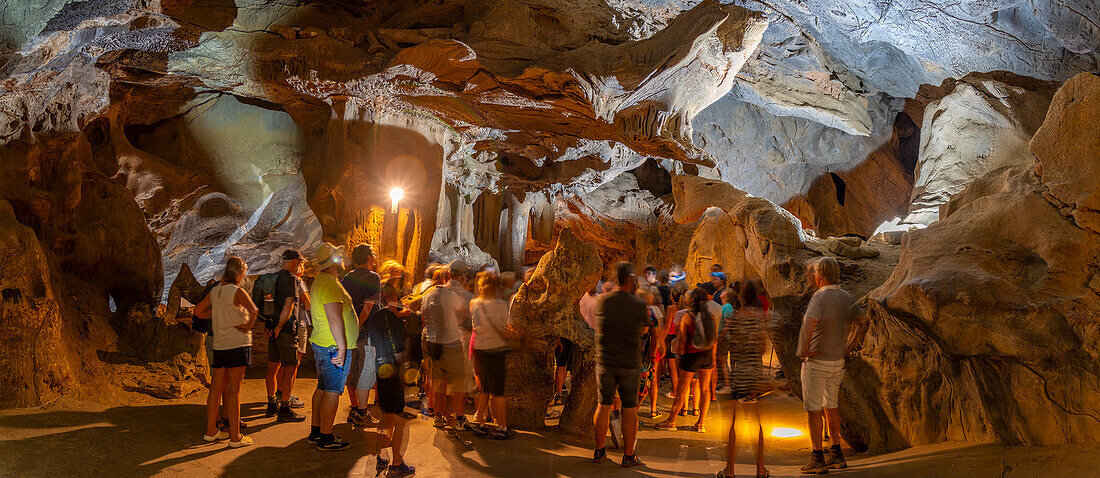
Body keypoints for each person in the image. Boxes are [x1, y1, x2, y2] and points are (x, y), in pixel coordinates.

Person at [798, 256, 870, 474]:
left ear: (820, 276)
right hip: (837, 361)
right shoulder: (845, 296)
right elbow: (863, 320)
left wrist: (803, 350)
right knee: (831, 405)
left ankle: (817, 457)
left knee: (813, 409)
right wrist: (852, 343)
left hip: (817, 361)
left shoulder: (819, 298)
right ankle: (836, 453)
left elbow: (809, 325)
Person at [592, 262, 649, 468]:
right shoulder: (639, 304)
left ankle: (599, 451)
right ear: (630, 279)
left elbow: (600, 325)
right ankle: (628, 455)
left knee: (603, 404)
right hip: (629, 362)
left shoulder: (603, 301)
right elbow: (643, 330)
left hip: (605, 360)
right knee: (629, 407)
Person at [195, 257, 257, 448]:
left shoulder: (216, 291)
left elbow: (198, 311)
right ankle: (235, 436)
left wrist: (219, 314)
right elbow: (253, 311)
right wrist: (246, 326)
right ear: (239, 274)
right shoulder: (237, 292)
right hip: (237, 344)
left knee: (215, 388)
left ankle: (211, 431)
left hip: (220, 344)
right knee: (234, 391)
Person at [308, 243, 358, 451]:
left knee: (322, 387)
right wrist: (342, 348)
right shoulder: (329, 283)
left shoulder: (323, 280)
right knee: (331, 391)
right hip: (332, 346)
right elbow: (334, 319)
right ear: (333, 260)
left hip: (324, 344)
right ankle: (326, 438)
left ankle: (316, 431)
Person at [718, 280, 771, 478]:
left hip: (739, 372)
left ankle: (730, 470)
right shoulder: (760, 319)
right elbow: (762, 348)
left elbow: (733, 346)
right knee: (757, 423)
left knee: (732, 423)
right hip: (754, 372)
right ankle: (760, 469)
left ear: (741, 297)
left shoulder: (737, 318)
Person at [364, 283, 416, 477]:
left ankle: (381, 456)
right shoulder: (390, 319)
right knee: (400, 419)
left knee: (385, 416)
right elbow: (398, 348)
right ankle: (396, 463)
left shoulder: (376, 316)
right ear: (390, 298)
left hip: (380, 368)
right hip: (393, 370)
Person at [657, 287, 718, 433]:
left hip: (692, 355)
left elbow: (682, 339)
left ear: (692, 301)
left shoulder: (688, 317)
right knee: (705, 389)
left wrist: (679, 357)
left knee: (682, 389)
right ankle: (701, 423)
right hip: (707, 356)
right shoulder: (711, 317)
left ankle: (671, 421)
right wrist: (713, 359)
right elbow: (714, 339)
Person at [421, 264, 472, 430]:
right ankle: (457, 418)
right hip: (450, 342)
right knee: (458, 382)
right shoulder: (452, 296)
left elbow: (424, 318)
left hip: (432, 341)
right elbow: (462, 315)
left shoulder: (428, 296)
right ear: (450, 277)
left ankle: (438, 416)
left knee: (438, 381)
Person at [470, 271, 517, 439]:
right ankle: (501, 426)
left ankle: (480, 422)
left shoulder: (474, 304)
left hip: (480, 349)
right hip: (496, 350)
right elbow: (506, 329)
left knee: (483, 387)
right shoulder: (501, 305)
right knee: (498, 391)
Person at [265, 249, 308, 423]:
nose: (300, 265)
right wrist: (280, 326)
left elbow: (268, 304)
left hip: (274, 330)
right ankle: (284, 409)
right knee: (290, 368)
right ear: (292, 261)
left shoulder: (273, 278)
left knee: (272, 367)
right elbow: (289, 305)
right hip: (287, 329)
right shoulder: (292, 279)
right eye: (299, 262)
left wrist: (270, 326)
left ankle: (271, 404)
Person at [342, 244, 382, 428]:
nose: (375, 259)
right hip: (365, 331)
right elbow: (368, 306)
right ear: (368, 258)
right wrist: (358, 327)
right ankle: (362, 413)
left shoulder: (347, 278)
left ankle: (355, 408)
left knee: (352, 372)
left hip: (349, 331)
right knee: (366, 371)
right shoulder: (372, 277)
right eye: (373, 256)